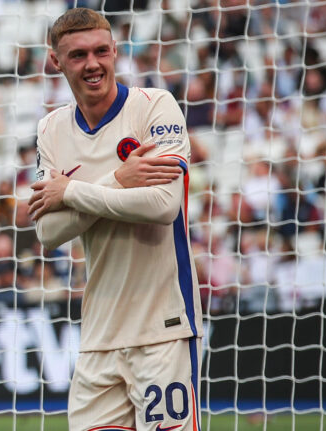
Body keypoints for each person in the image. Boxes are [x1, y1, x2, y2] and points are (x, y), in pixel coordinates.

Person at [27, 8, 202, 431]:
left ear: (115, 51)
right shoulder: (51, 129)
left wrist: (72, 192)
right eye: (78, 55)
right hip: (98, 338)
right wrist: (120, 180)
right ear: (56, 61)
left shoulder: (154, 107)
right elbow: (48, 231)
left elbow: (163, 205)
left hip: (164, 328)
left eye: (101, 51)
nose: (93, 64)